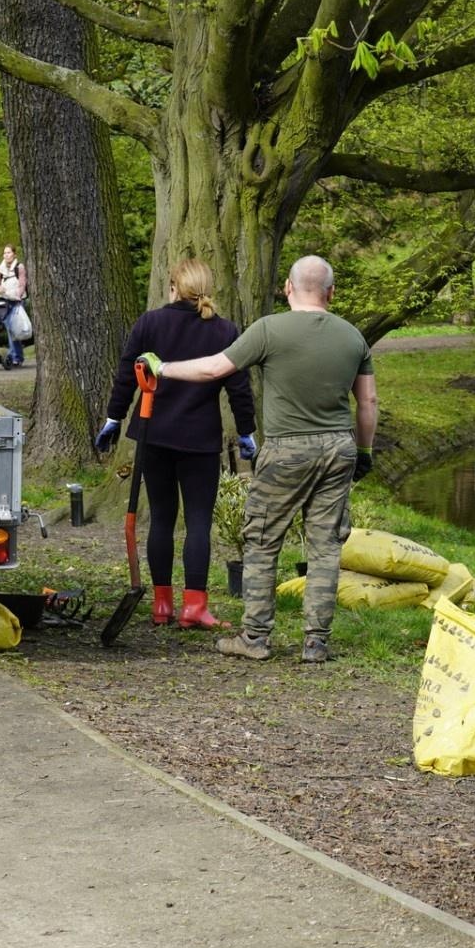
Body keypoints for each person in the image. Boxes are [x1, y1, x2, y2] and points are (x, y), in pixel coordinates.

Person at [137, 254, 378, 664]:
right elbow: (368, 401)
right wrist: (364, 452)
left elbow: (215, 369)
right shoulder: (353, 337)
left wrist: (163, 368)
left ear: (287, 287)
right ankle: (315, 642)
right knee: (325, 547)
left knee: (263, 540)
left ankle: (255, 637)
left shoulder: (268, 330)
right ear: (331, 293)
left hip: (287, 449)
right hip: (338, 448)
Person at [95, 258, 256, 629]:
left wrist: (114, 418)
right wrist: (247, 431)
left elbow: (126, 374)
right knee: (198, 521)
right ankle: (194, 607)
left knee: (162, 519)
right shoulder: (225, 331)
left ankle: (162, 604)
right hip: (199, 438)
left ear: (172, 288)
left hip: (154, 434)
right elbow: (238, 388)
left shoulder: (149, 323)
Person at [0, 244, 28, 367]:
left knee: (15, 329)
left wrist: (17, 295)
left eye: (8, 252)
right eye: (4, 253)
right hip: (5, 301)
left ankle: (16, 356)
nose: (6, 255)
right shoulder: (0, 268)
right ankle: (16, 357)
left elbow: (22, 284)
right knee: (10, 330)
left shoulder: (20, 267)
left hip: (17, 301)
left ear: (14, 254)